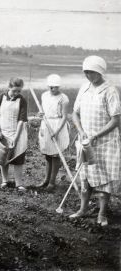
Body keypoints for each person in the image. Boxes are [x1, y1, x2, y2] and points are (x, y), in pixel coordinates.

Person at [70, 55, 121, 226]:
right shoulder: (84, 88)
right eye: (86, 72)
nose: (88, 75)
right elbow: (74, 113)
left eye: (91, 72)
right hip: (86, 141)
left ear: (100, 72)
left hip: (104, 143)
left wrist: (95, 135)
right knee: (84, 176)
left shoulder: (110, 90)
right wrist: (81, 131)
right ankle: (83, 209)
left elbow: (115, 120)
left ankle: (102, 214)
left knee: (104, 179)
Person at [0, 78, 28, 192]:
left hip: (16, 132)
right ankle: (4, 181)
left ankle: (19, 183)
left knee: (18, 158)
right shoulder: (0, 97)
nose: (16, 93)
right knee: (2, 157)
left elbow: (22, 120)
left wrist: (16, 139)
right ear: (9, 87)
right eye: (14, 91)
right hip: (2, 132)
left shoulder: (22, 100)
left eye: (19, 91)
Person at [37, 74, 70, 191]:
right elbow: (42, 111)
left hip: (58, 126)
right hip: (46, 124)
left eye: (55, 87)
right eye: (50, 86)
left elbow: (65, 117)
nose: (52, 89)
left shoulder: (64, 98)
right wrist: (40, 114)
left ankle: (52, 182)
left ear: (59, 86)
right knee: (47, 154)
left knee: (55, 155)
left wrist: (57, 131)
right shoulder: (44, 95)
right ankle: (46, 179)